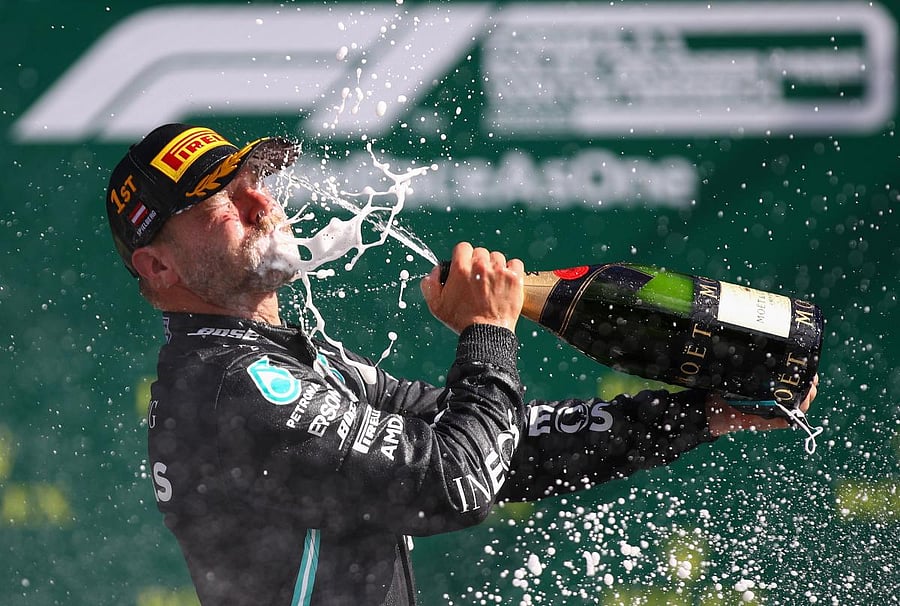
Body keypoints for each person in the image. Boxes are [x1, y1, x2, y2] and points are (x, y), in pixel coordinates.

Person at [106, 123, 818, 606]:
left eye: (254, 180)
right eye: (221, 202)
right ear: (156, 263)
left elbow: (503, 450)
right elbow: (454, 482)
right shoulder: (232, 385)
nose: (261, 203)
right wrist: (486, 331)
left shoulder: (283, 361)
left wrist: (701, 415)